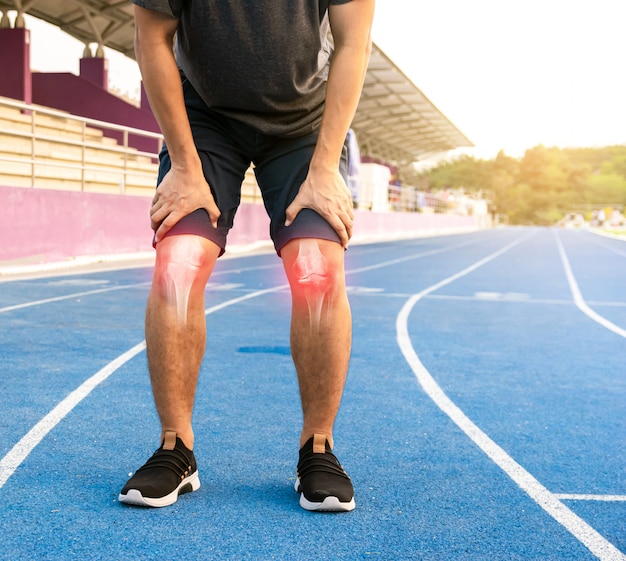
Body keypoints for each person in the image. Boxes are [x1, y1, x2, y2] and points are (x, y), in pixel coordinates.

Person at [118, 0, 375, 511]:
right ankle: (176, 448)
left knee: (318, 269)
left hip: (305, 123)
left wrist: (325, 169)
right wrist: (187, 168)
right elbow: (152, 40)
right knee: (178, 264)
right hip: (205, 119)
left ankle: (318, 448)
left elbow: (353, 43)